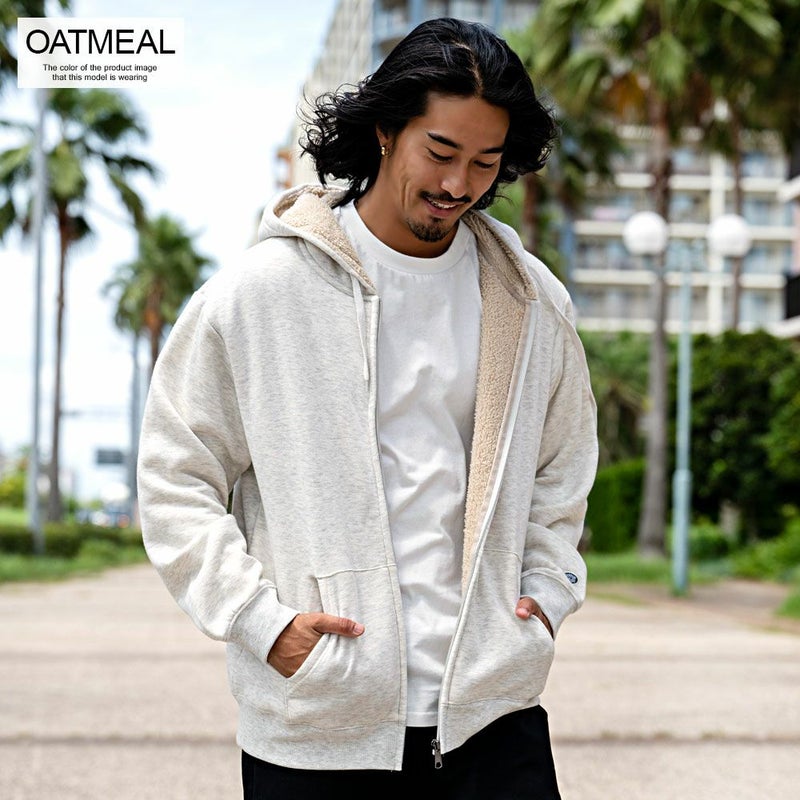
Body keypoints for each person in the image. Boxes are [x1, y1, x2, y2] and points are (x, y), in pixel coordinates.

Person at [137, 16, 598, 799]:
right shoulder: (261, 293)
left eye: (485, 162)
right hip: (321, 725)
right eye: (440, 152)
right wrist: (263, 624)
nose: (459, 184)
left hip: (491, 714)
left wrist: (548, 593)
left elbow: (564, 462)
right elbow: (174, 477)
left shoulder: (530, 300)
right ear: (386, 131)